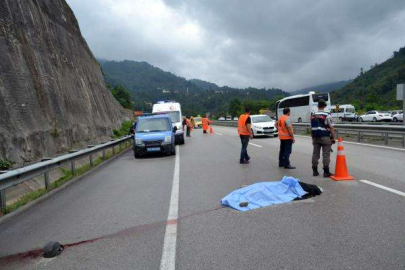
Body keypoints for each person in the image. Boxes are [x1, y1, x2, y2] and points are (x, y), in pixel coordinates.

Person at [311, 99, 336, 177]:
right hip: (325, 137)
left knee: (315, 154)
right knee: (326, 154)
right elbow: (331, 127)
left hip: (315, 137)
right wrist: (333, 138)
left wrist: (312, 137)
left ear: (317, 106)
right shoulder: (327, 115)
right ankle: (326, 172)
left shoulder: (313, 115)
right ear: (325, 106)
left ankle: (315, 171)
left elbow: (311, 127)